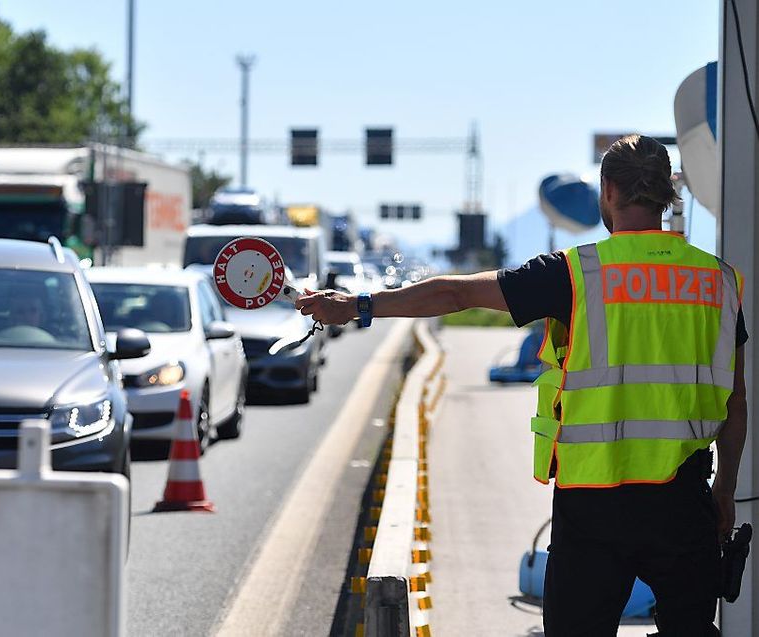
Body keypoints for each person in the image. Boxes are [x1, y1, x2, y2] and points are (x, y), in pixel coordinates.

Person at [296, 135, 747, 637]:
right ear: (667, 193)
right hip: (683, 503)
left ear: (608, 190)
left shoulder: (576, 274)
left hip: (593, 504)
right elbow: (736, 402)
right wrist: (724, 492)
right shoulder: (718, 281)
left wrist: (358, 306)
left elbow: (455, 292)